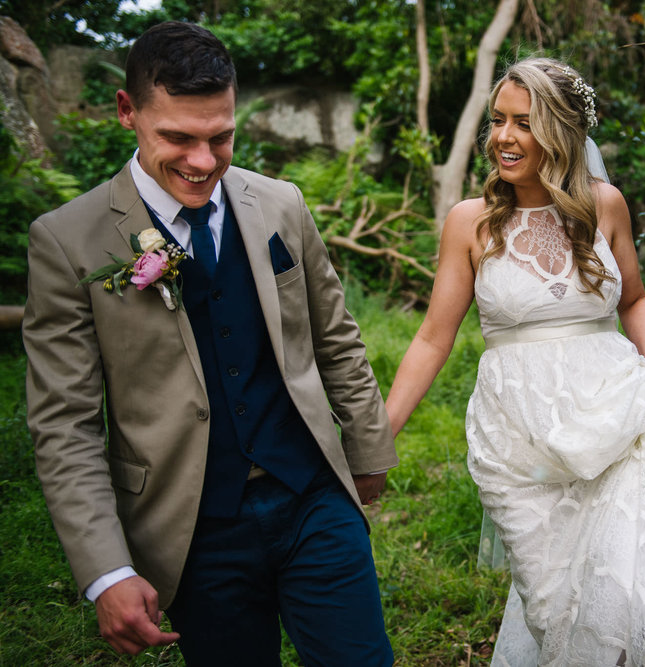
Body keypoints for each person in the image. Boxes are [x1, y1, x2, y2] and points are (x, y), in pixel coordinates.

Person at [22, 21, 396, 666]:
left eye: (220, 137)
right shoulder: (68, 240)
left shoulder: (281, 204)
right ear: (126, 112)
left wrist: (366, 451)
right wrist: (107, 571)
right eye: (177, 138)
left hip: (313, 496)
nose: (203, 162)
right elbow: (65, 423)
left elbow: (335, 338)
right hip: (191, 527)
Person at [385, 57, 645, 666]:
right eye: (498, 121)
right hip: (522, 436)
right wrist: (379, 436)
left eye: (524, 123)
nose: (503, 137)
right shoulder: (468, 223)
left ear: (560, 133)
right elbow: (431, 338)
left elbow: (633, 299)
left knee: (643, 584)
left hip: (624, 413)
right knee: (557, 606)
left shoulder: (605, 205)